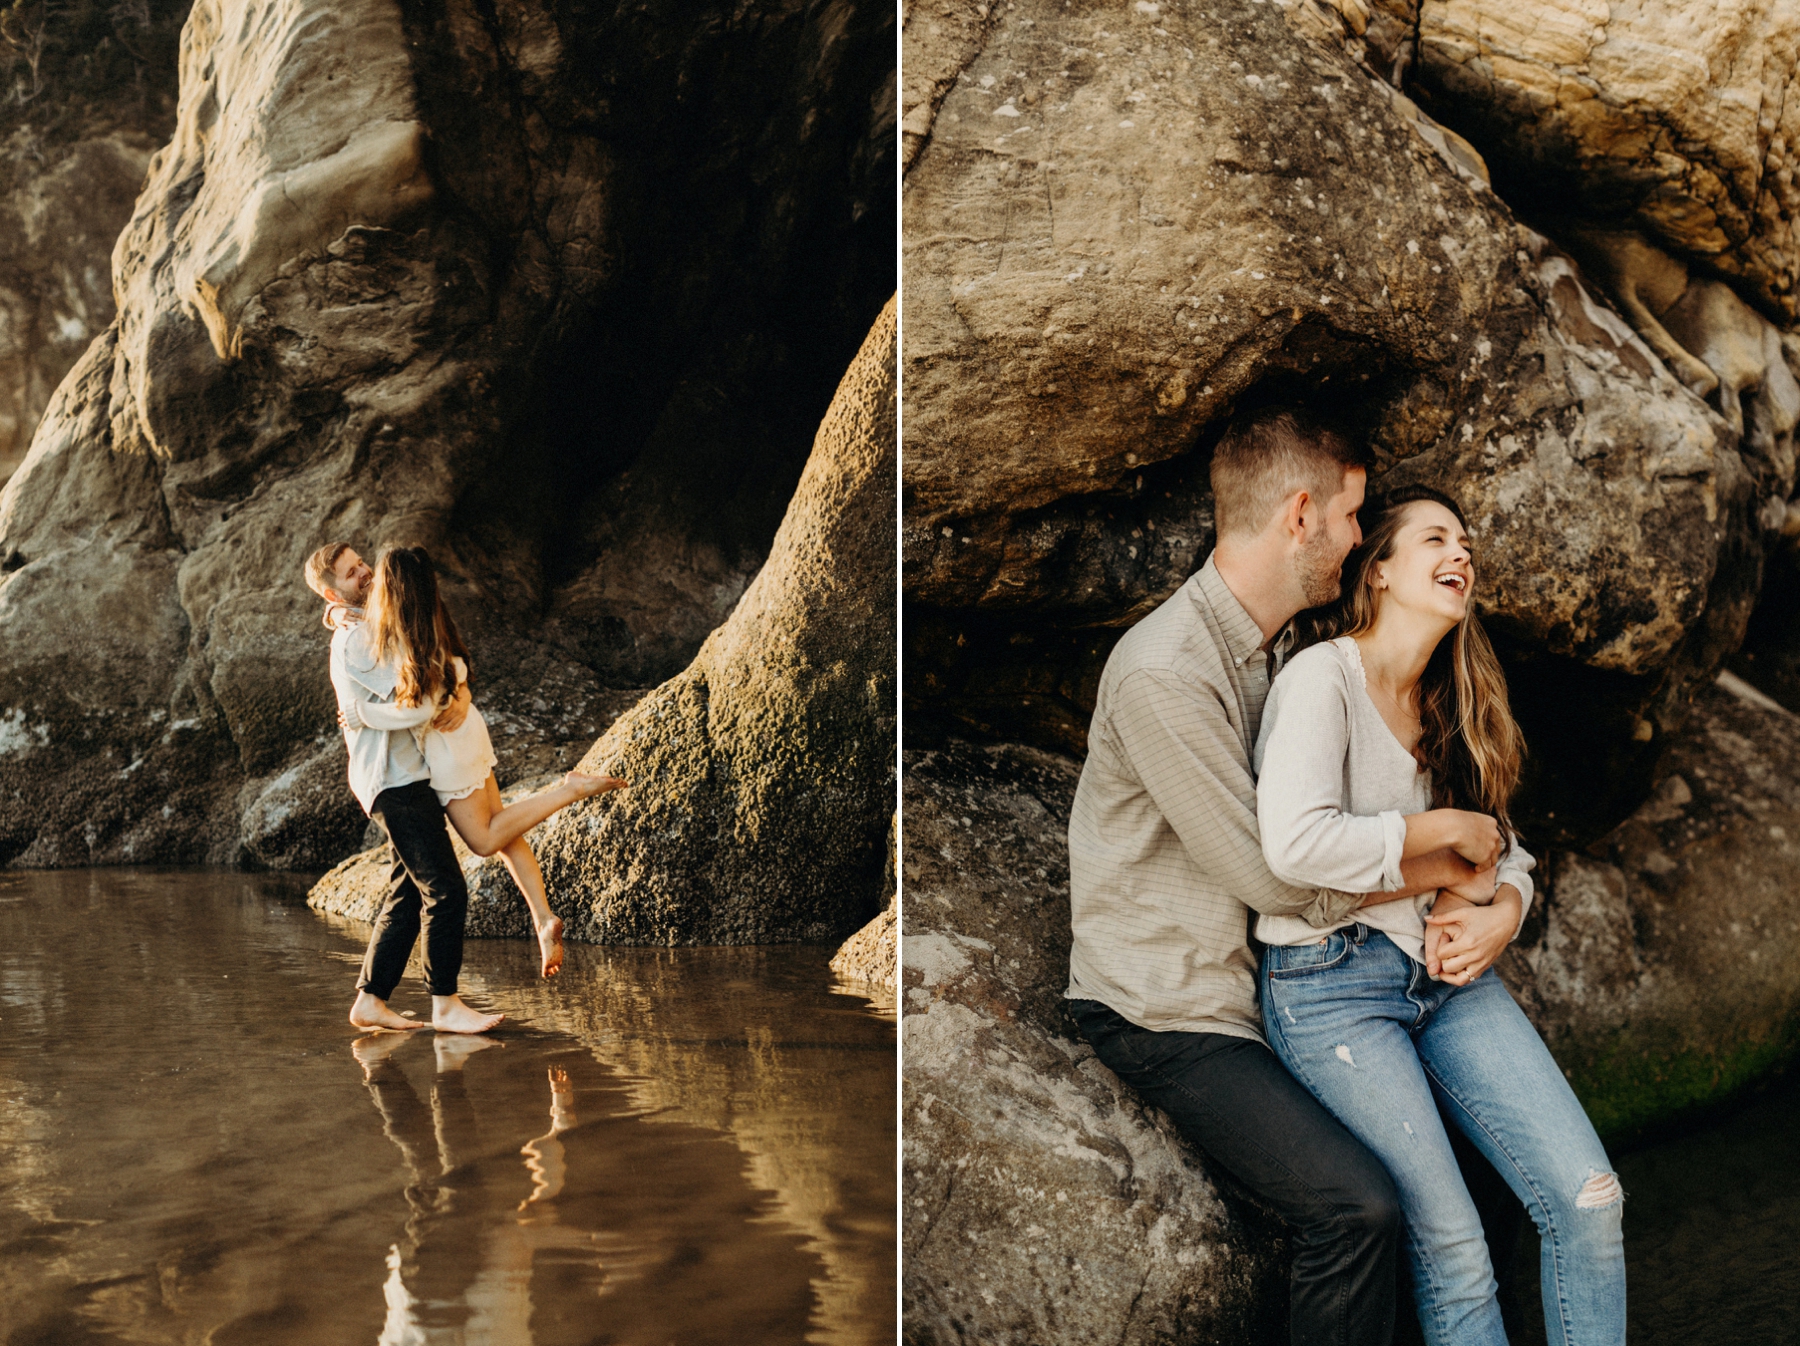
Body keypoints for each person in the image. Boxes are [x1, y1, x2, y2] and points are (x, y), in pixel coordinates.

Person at [1065, 406, 1491, 1346]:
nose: (1355, 540)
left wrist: (1494, 896)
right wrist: (1441, 852)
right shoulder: (1163, 670)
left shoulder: (1286, 657)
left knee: (1462, 1185)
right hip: (1170, 1015)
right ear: (1300, 514)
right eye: (1349, 518)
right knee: (1357, 1209)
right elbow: (1276, 875)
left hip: (1282, 989)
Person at [1253, 485, 1625, 1346]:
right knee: (1453, 1249)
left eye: (1465, 541)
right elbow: (1294, 845)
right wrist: (1438, 834)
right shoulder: (1322, 680)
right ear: (1377, 570)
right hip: (1330, 987)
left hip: (1451, 983)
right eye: (1433, 539)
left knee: (1590, 1198)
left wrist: (1506, 909)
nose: (1460, 553)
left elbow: (1506, 849)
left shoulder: (1458, 693)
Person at [349, 545, 625, 979]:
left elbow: (421, 708)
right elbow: (459, 663)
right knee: (504, 826)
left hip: (444, 747)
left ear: (392, 587)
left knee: (484, 839)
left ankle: (570, 790)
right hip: (467, 732)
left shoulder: (403, 632)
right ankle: (542, 917)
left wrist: (363, 714)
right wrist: (461, 691)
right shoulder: (431, 616)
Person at [304, 542, 499, 1034]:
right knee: (446, 888)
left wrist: (462, 687)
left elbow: (438, 677)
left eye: (363, 564)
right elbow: (419, 698)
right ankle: (445, 1003)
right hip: (392, 779)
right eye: (352, 575)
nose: (365, 574)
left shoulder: (378, 624)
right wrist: (443, 691)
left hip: (409, 775)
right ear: (332, 593)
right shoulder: (353, 638)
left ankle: (371, 1001)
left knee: (408, 892)